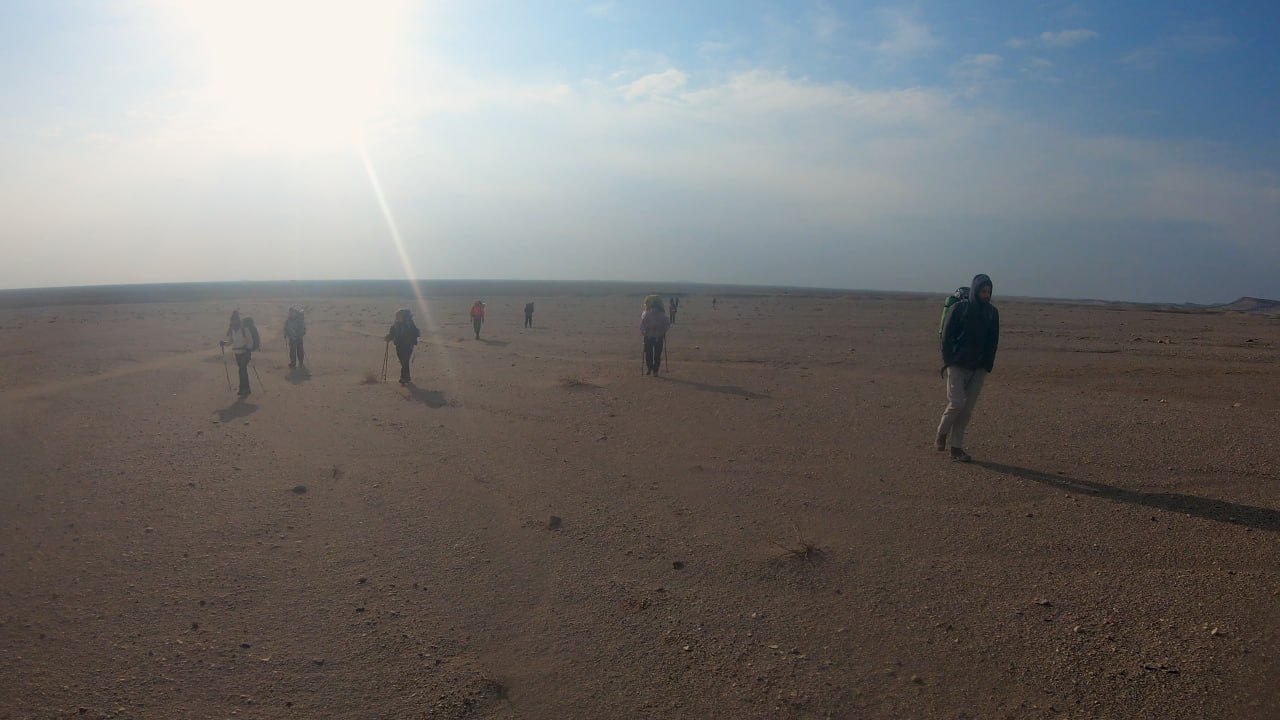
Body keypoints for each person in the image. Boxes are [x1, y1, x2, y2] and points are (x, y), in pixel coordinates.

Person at [936, 274, 1000, 462]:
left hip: (978, 368)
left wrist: (987, 365)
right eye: (983, 291)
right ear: (975, 290)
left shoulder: (992, 313)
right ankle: (942, 432)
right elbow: (947, 336)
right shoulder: (960, 308)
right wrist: (949, 360)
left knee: (967, 410)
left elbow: (993, 341)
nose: (986, 295)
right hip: (957, 365)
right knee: (957, 403)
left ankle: (956, 447)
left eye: (988, 292)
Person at [220, 310, 254, 397]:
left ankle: (244, 389)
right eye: (232, 320)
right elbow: (230, 342)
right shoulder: (232, 330)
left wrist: (248, 349)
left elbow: (250, 341)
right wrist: (224, 343)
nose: (233, 322)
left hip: (245, 353)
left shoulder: (244, 329)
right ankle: (245, 389)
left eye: (234, 320)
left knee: (242, 369)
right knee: (242, 370)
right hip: (237, 353)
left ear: (237, 320)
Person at [385, 308, 420, 385]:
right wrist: (388, 338)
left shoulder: (409, 325)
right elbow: (392, 334)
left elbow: (415, 333)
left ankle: (404, 378)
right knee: (403, 362)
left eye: (399, 316)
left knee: (405, 361)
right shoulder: (395, 325)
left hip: (408, 346)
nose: (397, 317)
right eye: (397, 316)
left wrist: (412, 341)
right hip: (399, 346)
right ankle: (406, 378)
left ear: (403, 316)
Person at [640, 297, 672, 376]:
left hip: (652, 337)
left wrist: (645, 330)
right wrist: (663, 330)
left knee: (650, 354)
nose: (654, 310)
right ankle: (654, 370)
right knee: (655, 354)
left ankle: (651, 369)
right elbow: (667, 325)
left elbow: (642, 326)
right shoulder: (660, 315)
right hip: (655, 337)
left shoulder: (647, 314)